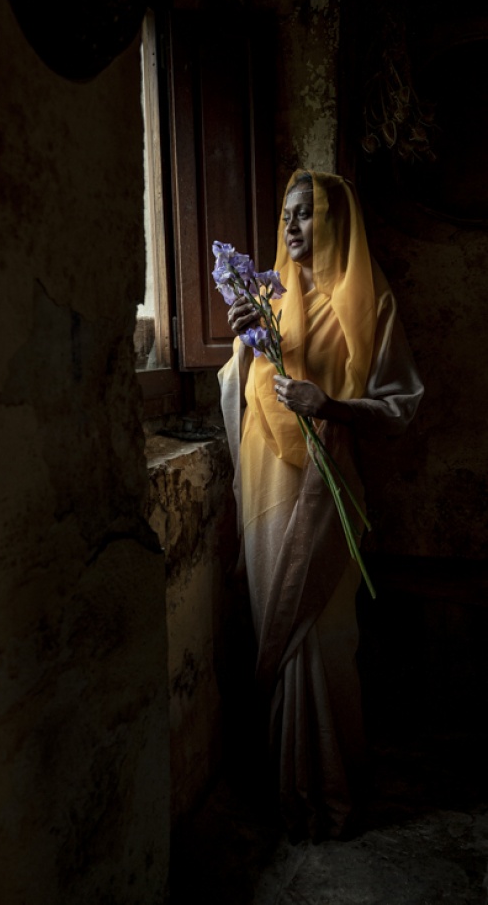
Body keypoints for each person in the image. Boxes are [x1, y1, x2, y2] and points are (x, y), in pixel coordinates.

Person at [218, 169, 424, 842]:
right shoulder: (269, 297)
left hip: (325, 483)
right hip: (267, 483)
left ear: (336, 220)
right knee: (276, 620)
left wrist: (329, 406)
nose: (292, 226)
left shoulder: (370, 302)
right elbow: (246, 387)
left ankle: (327, 784)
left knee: (324, 632)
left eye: (306, 213)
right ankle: (286, 787)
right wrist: (243, 343)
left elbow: (400, 405)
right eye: (287, 214)